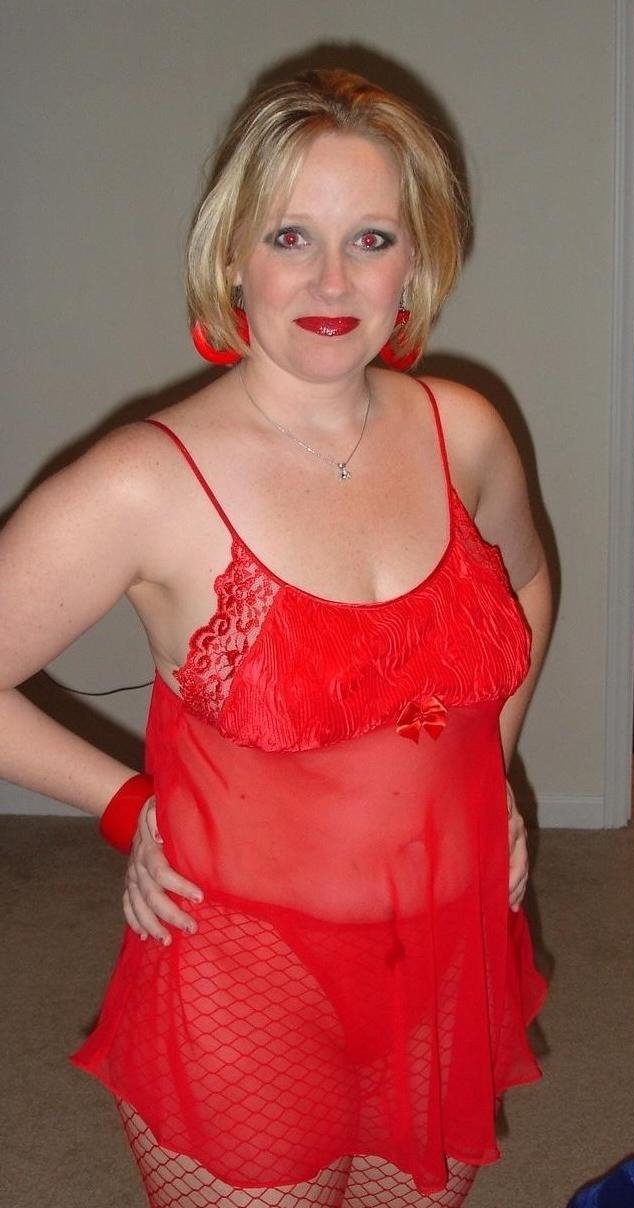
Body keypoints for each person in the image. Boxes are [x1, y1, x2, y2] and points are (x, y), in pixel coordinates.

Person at [0, 69, 552, 1208]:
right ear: (232, 256)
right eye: (291, 236)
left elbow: (529, 581)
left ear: (416, 265)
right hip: (247, 981)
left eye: (371, 239)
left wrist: (491, 764)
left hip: (449, 959)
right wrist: (127, 803)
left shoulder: (466, 433)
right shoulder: (145, 481)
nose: (332, 281)